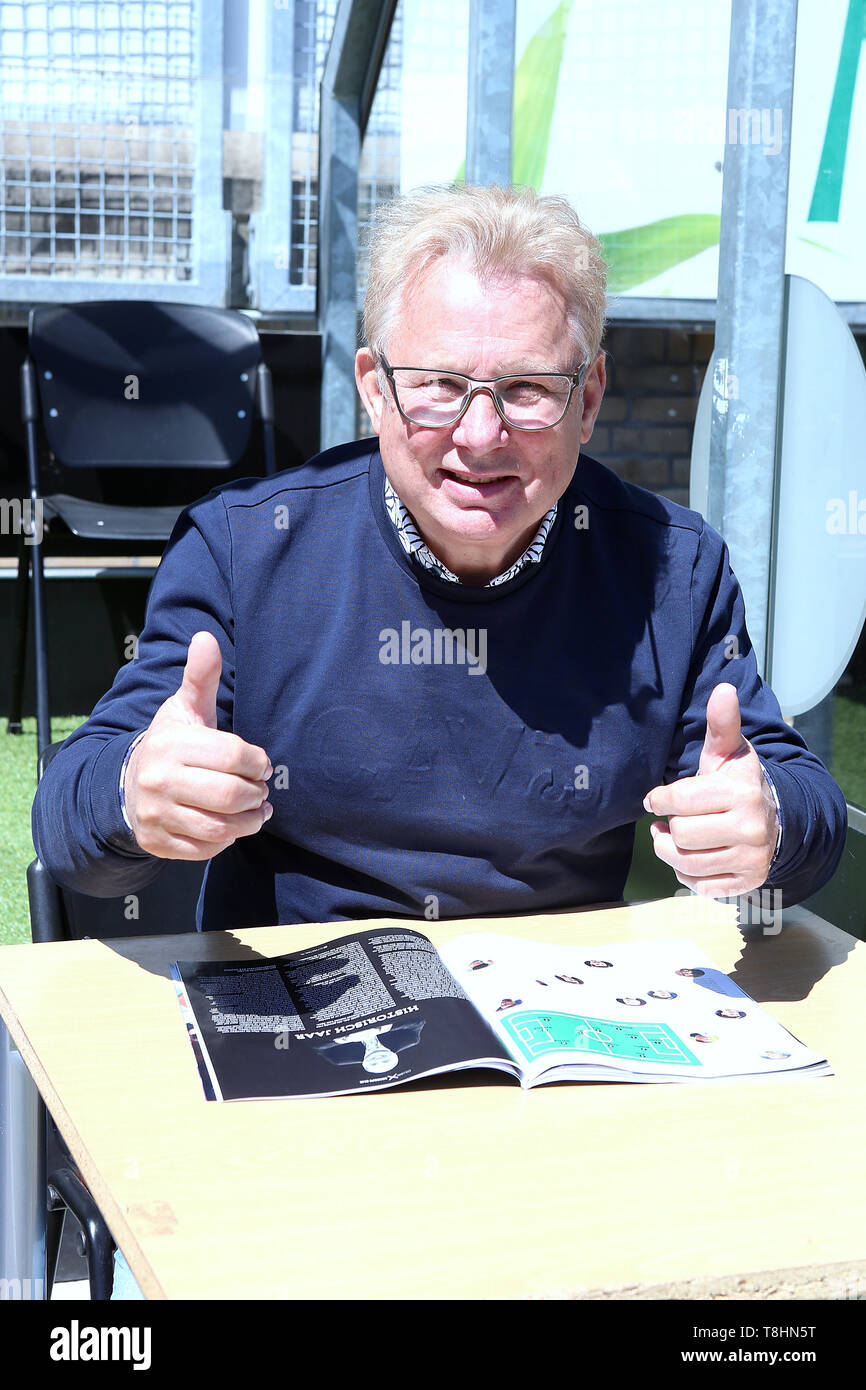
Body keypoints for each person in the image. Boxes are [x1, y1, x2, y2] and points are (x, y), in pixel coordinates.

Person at [32, 183, 847, 930]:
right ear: (375, 390)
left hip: (563, 1018)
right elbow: (72, 824)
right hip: (306, 1013)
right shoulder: (246, 551)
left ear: (589, 398)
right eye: (438, 385)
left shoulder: (672, 569)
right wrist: (133, 791)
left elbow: (803, 801)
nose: (481, 435)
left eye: (528, 389)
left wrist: (770, 822)